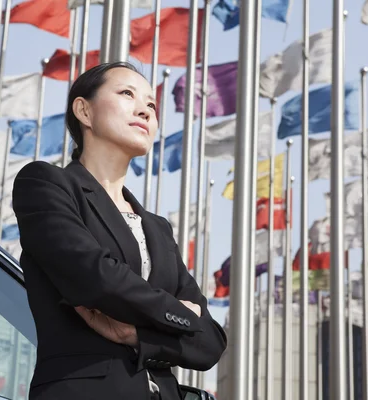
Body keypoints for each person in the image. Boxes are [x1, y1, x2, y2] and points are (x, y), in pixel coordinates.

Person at [12, 62, 226, 400]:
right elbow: (97, 277)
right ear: (84, 110)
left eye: (152, 105)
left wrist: (139, 336)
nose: (144, 109)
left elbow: (211, 342)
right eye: (127, 94)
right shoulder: (46, 184)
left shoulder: (157, 228)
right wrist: (184, 315)